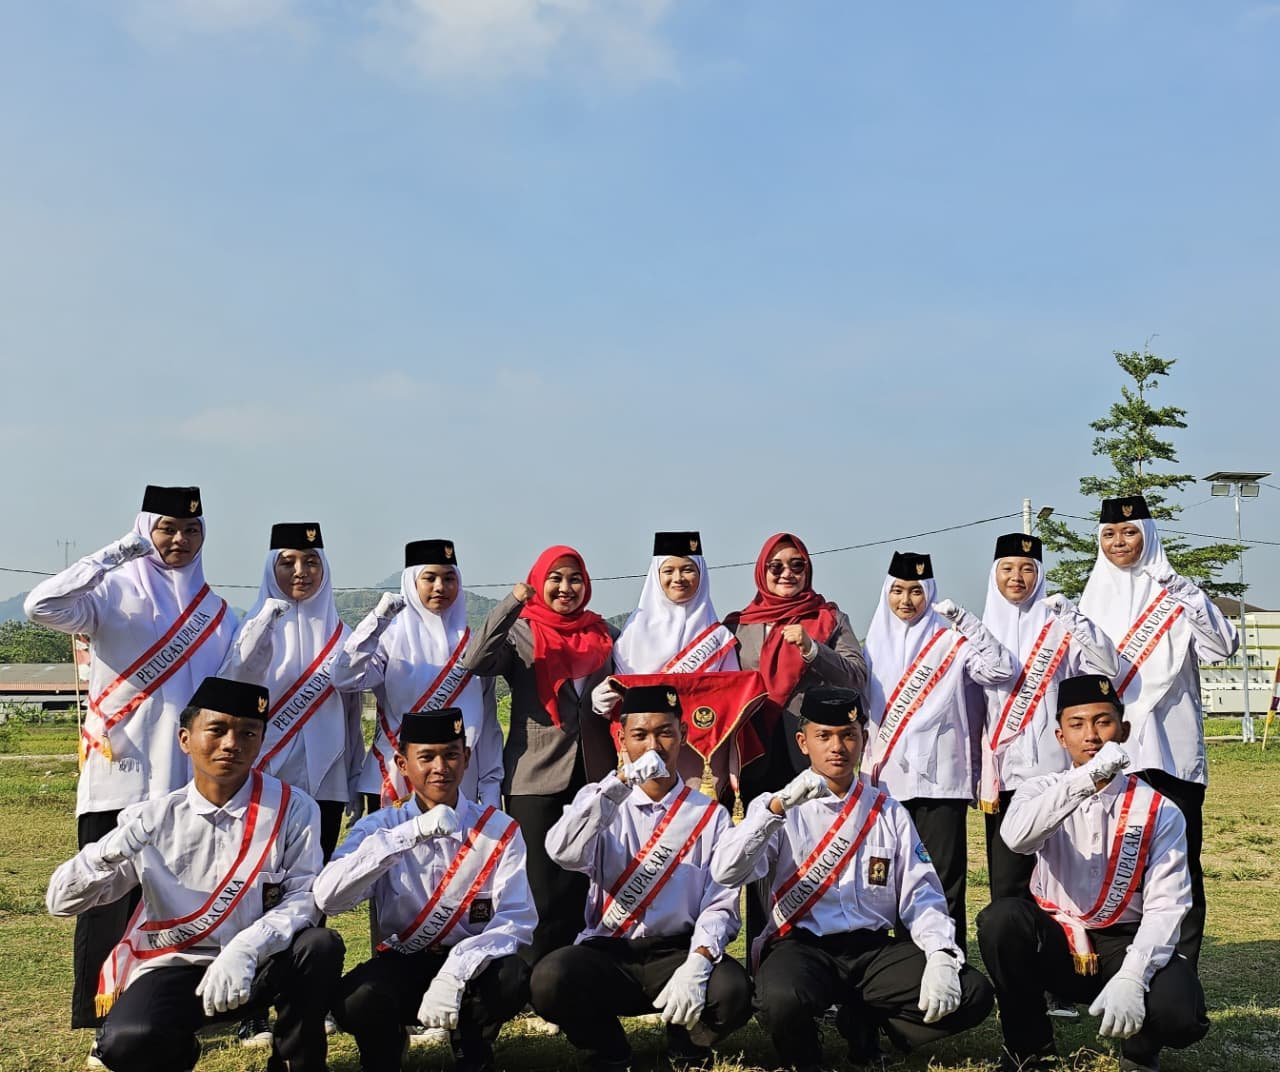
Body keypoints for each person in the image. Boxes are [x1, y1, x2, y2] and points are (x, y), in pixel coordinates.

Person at [24, 485, 242, 1035]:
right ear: (145, 529)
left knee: (179, 902)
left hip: (186, 785)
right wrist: (118, 552)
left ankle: (175, 1013)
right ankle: (96, 1016)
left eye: (191, 529)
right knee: (105, 900)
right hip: (118, 776)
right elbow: (39, 606)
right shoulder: (108, 592)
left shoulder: (217, 613)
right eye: (166, 527)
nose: (179, 539)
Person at [45, 675, 344, 1072]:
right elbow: (61, 903)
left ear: (260, 742)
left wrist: (246, 948)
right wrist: (103, 854)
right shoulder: (150, 818)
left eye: (248, 733)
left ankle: (296, 1063)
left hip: (261, 962)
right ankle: (177, 1052)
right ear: (185, 739)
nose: (231, 744)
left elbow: (304, 898)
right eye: (216, 730)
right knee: (127, 1042)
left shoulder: (293, 808)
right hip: (178, 965)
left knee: (319, 945)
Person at [711, 688, 993, 1072]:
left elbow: (922, 896)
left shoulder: (888, 812)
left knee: (973, 991)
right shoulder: (776, 805)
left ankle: (865, 1022)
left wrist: (941, 953)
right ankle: (805, 1059)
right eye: (823, 736)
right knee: (779, 997)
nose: (837, 747)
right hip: (803, 948)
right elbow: (727, 872)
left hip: (872, 951)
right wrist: (776, 809)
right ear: (803, 742)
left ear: (863, 738)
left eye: (848, 735)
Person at [976, 674, 1210, 1072]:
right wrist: (1087, 780)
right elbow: (1017, 838)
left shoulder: (1159, 809)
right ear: (1060, 736)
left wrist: (1134, 975)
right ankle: (1029, 1048)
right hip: (1058, 941)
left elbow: (1167, 906)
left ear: (1124, 730)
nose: (1091, 736)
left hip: (1125, 940)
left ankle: (1140, 1052)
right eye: (1077, 724)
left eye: (1103, 722)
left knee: (1179, 1014)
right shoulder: (1039, 791)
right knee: (1002, 921)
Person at [530, 685, 752, 1072]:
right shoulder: (598, 799)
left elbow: (720, 904)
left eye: (665, 732)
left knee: (733, 990)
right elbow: (563, 852)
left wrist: (699, 961)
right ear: (622, 739)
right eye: (640, 734)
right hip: (610, 952)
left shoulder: (709, 815)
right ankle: (609, 1050)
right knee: (549, 980)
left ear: (683, 734)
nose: (653, 746)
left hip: (677, 951)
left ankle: (686, 1046)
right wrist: (617, 786)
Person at [315, 709, 535, 1072]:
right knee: (356, 999)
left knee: (512, 977)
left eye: (451, 755)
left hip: (473, 963)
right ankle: (385, 1053)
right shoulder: (381, 827)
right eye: (427, 757)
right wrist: (408, 834)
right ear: (403, 764)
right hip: (405, 961)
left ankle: (472, 1049)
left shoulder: (499, 828)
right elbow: (329, 897)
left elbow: (517, 919)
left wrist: (456, 972)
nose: (440, 767)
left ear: (467, 758)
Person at [1078, 495, 1237, 968]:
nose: (1119, 542)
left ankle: (1179, 971)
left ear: (1147, 536)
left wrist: (1183, 590)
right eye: (1109, 534)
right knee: (1113, 866)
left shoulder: (1177, 594)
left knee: (1179, 865)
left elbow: (1221, 648)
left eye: (1129, 532)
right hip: (1113, 757)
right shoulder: (1092, 598)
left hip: (1171, 755)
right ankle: (1122, 965)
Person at [462, 544, 616, 963]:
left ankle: (575, 973)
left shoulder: (604, 633)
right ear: (538, 581)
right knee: (540, 887)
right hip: (535, 775)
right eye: (555, 579)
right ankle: (532, 974)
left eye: (575, 579)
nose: (566, 588)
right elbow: (475, 660)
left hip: (594, 773)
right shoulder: (521, 633)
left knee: (584, 884)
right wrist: (514, 600)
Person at [861, 551, 1015, 943]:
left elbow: (1001, 669)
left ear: (929, 594)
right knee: (891, 879)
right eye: (898, 590)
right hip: (888, 782)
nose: (906, 600)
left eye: (916, 591)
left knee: (943, 879)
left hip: (941, 783)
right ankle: (902, 962)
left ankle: (949, 958)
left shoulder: (952, 642)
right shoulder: (872, 646)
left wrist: (964, 620)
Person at [979, 532, 1119, 901]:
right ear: (994, 574)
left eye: (1027, 569)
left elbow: (1107, 666)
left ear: (1039, 575)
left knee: (1061, 880)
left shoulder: (1061, 627)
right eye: (1008, 568)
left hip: (1055, 775)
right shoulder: (980, 632)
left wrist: (1071, 616)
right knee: (1008, 886)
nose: (1017, 577)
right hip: (1003, 778)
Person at [332, 539, 502, 813]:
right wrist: (377, 621)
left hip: (457, 783)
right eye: (430, 578)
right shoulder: (388, 638)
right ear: (412, 583)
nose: (440, 587)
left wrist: (491, 790)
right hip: (393, 781)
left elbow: (489, 725)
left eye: (449, 579)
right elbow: (345, 678)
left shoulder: (473, 645)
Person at [598, 530, 752, 805]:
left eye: (688, 570)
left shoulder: (719, 638)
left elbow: (732, 699)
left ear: (702, 575)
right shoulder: (632, 636)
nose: (678, 578)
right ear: (656, 576)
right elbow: (621, 701)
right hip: (645, 751)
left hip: (702, 755)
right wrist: (603, 699)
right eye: (668, 570)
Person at [241, 523, 363, 860]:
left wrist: (353, 775)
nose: (301, 571)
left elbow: (353, 717)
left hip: (327, 782)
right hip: (263, 778)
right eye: (288, 562)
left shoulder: (345, 637)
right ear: (271, 569)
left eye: (311, 562)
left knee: (315, 878)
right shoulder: (247, 632)